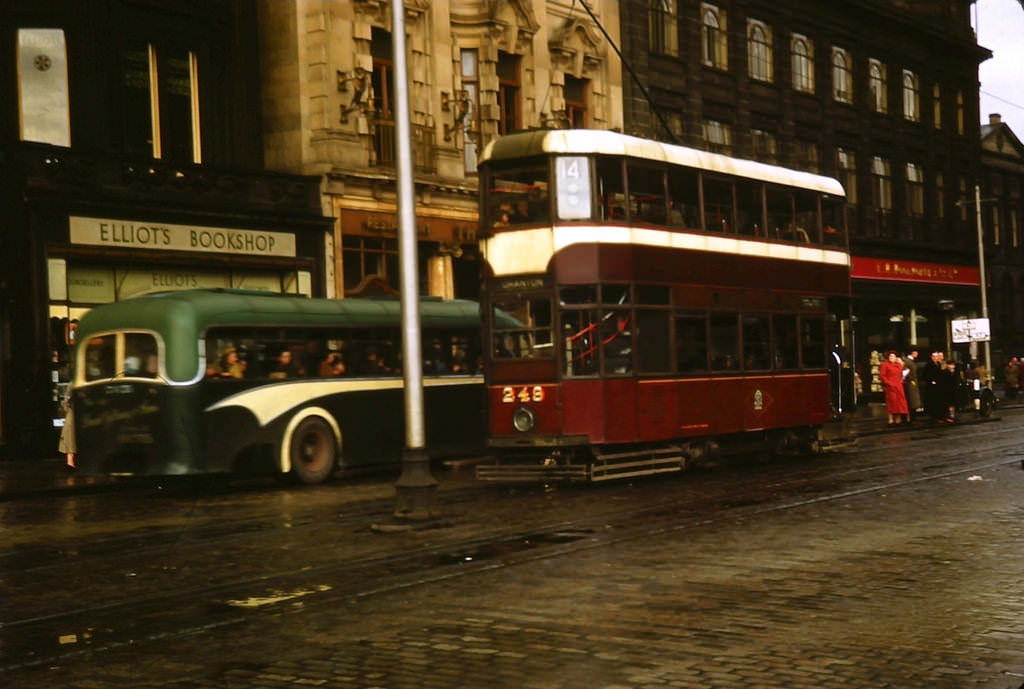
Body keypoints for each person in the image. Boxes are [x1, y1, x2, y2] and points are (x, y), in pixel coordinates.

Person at [879, 350, 909, 425]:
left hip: (899, 386)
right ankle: (891, 419)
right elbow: (882, 376)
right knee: (891, 402)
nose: (892, 357)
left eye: (893, 356)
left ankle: (898, 419)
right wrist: (889, 383)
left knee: (899, 403)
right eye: (890, 356)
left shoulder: (898, 365)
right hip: (890, 386)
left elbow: (902, 374)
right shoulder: (885, 365)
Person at [922, 350, 945, 424]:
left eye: (937, 356)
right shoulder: (928, 365)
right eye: (934, 356)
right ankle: (934, 417)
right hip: (932, 387)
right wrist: (931, 381)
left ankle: (940, 416)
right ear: (931, 357)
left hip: (939, 386)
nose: (935, 358)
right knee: (933, 402)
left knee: (939, 402)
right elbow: (925, 375)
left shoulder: (939, 364)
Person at [937, 359, 962, 423]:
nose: (951, 366)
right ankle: (949, 416)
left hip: (955, 389)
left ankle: (952, 416)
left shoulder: (956, 372)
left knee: (953, 403)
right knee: (949, 403)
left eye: (953, 365)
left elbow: (958, 379)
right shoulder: (945, 372)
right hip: (947, 390)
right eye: (950, 365)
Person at [58, 384, 76, 470]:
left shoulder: (72, 385)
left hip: (73, 415)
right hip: (74, 415)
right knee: (70, 439)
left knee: (70, 439)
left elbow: (65, 403)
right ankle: (70, 462)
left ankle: (70, 462)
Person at [903, 347, 922, 421]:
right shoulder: (907, 361)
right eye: (916, 352)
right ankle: (910, 418)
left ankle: (913, 417)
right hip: (910, 383)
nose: (917, 354)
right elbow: (906, 371)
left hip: (913, 382)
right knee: (911, 400)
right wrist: (911, 379)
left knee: (914, 401)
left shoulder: (911, 361)